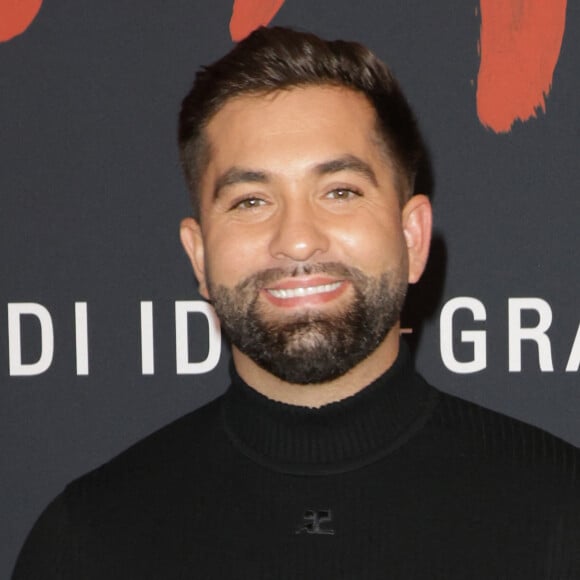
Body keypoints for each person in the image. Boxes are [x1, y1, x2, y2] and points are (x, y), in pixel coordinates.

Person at [13, 26, 580, 580]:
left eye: (339, 192)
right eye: (251, 200)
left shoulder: (560, 511)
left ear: (412, 237)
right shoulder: (87, 540)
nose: (297, 239)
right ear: (199, 256)